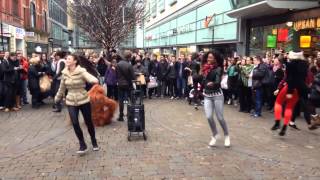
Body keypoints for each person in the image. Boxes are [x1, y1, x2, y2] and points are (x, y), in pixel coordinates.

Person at [54, 54, 99, 155]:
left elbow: (89, 77)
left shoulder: (81, 71)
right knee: (74, 122)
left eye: (69, 59)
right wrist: (57, 97)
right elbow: (62, 88)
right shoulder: (64, 73)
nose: (67, 60)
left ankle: (93, 140)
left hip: (83, 99)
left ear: (75, 61)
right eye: (66, 59)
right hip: (71, 100)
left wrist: (94, 80)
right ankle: (82, 144)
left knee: (88, 122)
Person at [271, 51, 309, 136]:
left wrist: (289, 91)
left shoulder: (291, 64)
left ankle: (277, 122)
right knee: (289, 108)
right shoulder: (305, 64)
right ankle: (284, 127)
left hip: (290, 87)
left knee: (278, 102)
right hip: (299, 90)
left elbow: (290, 78)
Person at [202, 51, 230, 147]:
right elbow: (202, 81)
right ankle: (215, 135)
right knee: (209, 116)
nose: (208, 59)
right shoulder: (205, 68)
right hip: (207, 95)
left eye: (211, 58)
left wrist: (213, 83)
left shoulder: (218, 69)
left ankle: (226, 135)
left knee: (220, 117)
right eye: (208, 57)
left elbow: (218, 81)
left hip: (217, 95)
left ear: (215, 59)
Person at [116, 50, 135, 121]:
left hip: (120, 84)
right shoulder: (129, 65)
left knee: (121, 100)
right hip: (128, 84)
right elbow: (133, 77)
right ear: (129, 57)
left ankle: (121, 116)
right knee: (131, 99)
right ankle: (130, 115)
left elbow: (116, 75)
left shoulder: (118, 64)